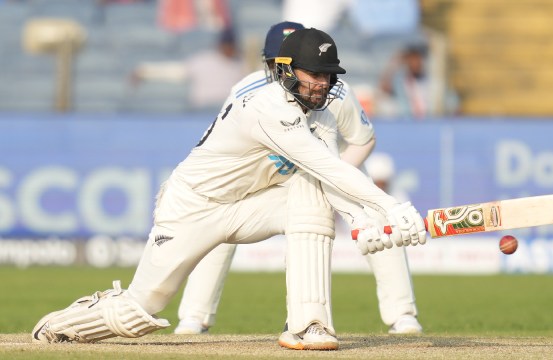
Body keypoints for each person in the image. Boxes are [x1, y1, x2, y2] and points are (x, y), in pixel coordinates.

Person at [31, 28, 427, 351]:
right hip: (193, 208)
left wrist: (363, 216)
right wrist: (388, 205)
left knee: (310, 198)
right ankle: (59, 325)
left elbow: (327, 174)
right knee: (144, 305)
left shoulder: (318, 109)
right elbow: (325, 165)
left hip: (251, 205)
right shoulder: (266, 107)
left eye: (327, 75)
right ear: (285, 70)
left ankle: (309, 324)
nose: (322, 84)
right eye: (314, 74)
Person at [173, 21, 423, 337]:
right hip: (266, 175)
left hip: (333, 168)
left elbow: (363, 139)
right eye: (273, 67)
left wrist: (333, 179)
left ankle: (402, 316)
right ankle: (194, 318)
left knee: (376, 215)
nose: (282, 79)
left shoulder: (335, 92)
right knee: (220, 220)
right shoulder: (246, 92)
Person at [130, 27, 246, 110]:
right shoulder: (203, 60)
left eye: (231, 45)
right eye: (226, 45)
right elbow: (174, 72)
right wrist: (144, 71)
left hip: (228, 112)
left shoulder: (241, 64)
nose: (228, 49)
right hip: (200, 112)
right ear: (219, 45)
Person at [377, 41, 459, 119]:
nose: (415, 63)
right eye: (411, 59)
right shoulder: (400, 84)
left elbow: (453, 103)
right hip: (407, 125)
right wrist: (395, 63)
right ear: (406, 61)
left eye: (417, 59)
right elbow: (383, 87)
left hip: (431, 124)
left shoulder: (433, 83)